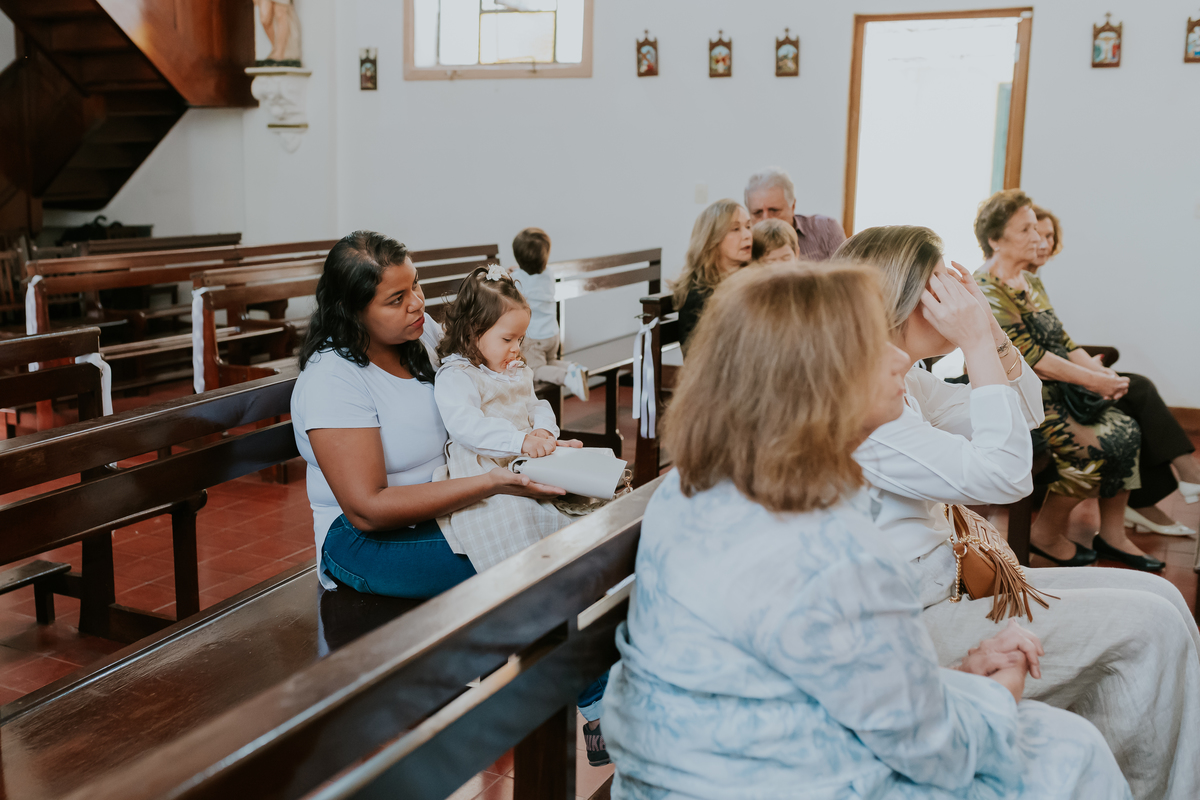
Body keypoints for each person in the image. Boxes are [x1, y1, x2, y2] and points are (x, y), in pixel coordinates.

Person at [604, 261, 1131, 800]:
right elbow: (939, 755)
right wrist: (1001, 690)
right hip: (762, 778)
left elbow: (812, 674)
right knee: (1071, 749)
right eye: (871, 342)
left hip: (686, 761)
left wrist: (951, 679)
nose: (901, 356)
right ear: (817, 379)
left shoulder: (695, 486)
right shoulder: (837, 549)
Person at [839, 225, 1200, 800]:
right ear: (905, 299)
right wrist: (976, 344)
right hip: (911, 620)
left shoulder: (905, 378)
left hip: (951, 585)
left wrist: (989, 333)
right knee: (1149, 626)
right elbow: (1005, 476)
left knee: (1162, 600)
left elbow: (1024, 411)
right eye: (940, 288)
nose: (954, 299)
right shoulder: (863, 400)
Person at [291, 231, 568, 599]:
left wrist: (540, 445)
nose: (417, 303)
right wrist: (490, 483)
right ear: (352, 310)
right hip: (364, 539)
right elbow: (368, 510)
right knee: (530, 550)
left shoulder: (421, 337)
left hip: (450, 505)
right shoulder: (332, 379)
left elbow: (489, 397)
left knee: (571, 519)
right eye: (396, 299)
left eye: (416, 285)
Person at [970, 190, 1157, 570]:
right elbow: (1031, 359)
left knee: (1127, 430)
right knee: (1103, 444)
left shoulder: (1030, 282)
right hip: (1021, 395)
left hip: (1057, 390)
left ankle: (1113, 535)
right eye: (1026, 230)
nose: (1039, 239)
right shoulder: (985, 288)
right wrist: (1094, 383)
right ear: (995, 239)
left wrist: (1101, 373)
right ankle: (1046, 532)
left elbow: (1063, 340)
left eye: (1037, 230)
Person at [1029, 204, 1200, 535]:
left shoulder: (1034, 284)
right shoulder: (1000, 286)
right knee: (1136, 390)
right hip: (1042, 389)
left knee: (1134, 392)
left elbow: (1060, 340)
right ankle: (1178, 483)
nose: (1045, 242)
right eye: (1037, 233)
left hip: (1062, 376)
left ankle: (1155, 498)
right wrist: (1088, 375)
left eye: (1051, 235)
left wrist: (1090, 368)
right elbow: (1027, 353)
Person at [432, 265, 582, 572]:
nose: (516, 348)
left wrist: (542, 431)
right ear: (473, 331)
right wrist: (520, 440)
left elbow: (535, 404)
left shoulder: (514, 369)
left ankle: (574, 567)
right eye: (507, 339)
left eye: (520, 339)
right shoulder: (457, 375)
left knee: (578, 493)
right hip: (484, 466)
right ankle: (526, 580)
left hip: (523, 454)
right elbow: (467, 426)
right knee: (518, 513)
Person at [509, 227, 590, 402]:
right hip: (552, 334)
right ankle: (572, 368)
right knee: (550, 361)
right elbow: (531, 274)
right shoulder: (548, 275)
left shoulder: (517, 280)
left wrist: (513, 273)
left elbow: (515, 280)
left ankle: (568, 378)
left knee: (535, 369)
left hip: (534, 338)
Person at [672, 199, 751, 353]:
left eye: (748, 226)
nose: (747, 235)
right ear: (712, 239)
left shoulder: (753, 278)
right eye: (735, 229)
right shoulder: (699, 296)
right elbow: (697, 357)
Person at [744, 166, 846, 260]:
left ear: (792, 206)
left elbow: (846, 275)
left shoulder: (826, 230)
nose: (766, 219)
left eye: (774, 211)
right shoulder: (744, 244)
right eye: (757, 213)